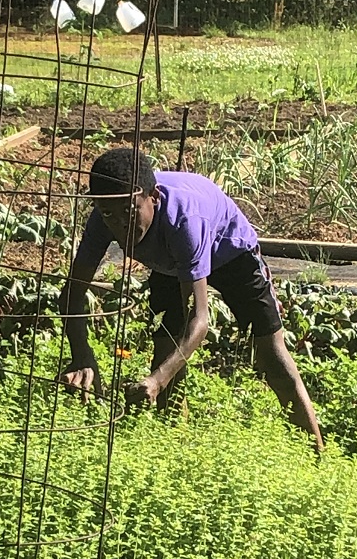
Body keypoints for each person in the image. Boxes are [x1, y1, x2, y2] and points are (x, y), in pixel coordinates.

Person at [58, 147, 323, 450]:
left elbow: (200, 321)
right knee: (166, 348)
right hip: (170, 262)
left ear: (153, 197)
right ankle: (173, 446)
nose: (121, 224)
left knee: (269, 352)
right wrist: (82, 355)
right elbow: (72, 294)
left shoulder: (184, 220)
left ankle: (314, 450)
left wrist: (156, 380)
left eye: (129, 210)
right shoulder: (101, 221)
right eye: (108, 214)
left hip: (230, 250)